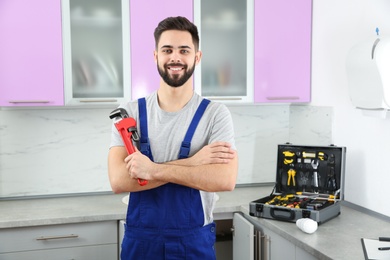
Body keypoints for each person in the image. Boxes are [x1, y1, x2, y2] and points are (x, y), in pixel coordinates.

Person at [108, 16, 238, 260]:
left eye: (184, 50)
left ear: (197, 57)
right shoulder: (130, 114)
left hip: (193, 244)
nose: (175, 57)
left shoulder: (215, 115)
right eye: (167, 50)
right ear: (156, 55)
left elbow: (224, 179)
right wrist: (194, 162)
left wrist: (151, 170)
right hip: (141, 244)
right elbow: (118, 181)